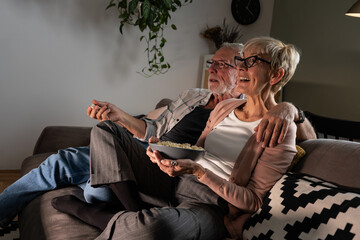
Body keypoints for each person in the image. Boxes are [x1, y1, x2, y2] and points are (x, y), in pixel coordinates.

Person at [0, 42, 315, 228]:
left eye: (224, 64)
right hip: (145, 154)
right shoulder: (194, 95)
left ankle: (110, 205)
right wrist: (119, 115)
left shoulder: (255, 110)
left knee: (72, 170)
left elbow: (308, 139)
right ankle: (115, 204)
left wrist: (291, 109)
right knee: (84, 147)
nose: (213, 69)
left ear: (243, 72)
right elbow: (152, 129)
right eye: (212, 63)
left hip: (174, 173)